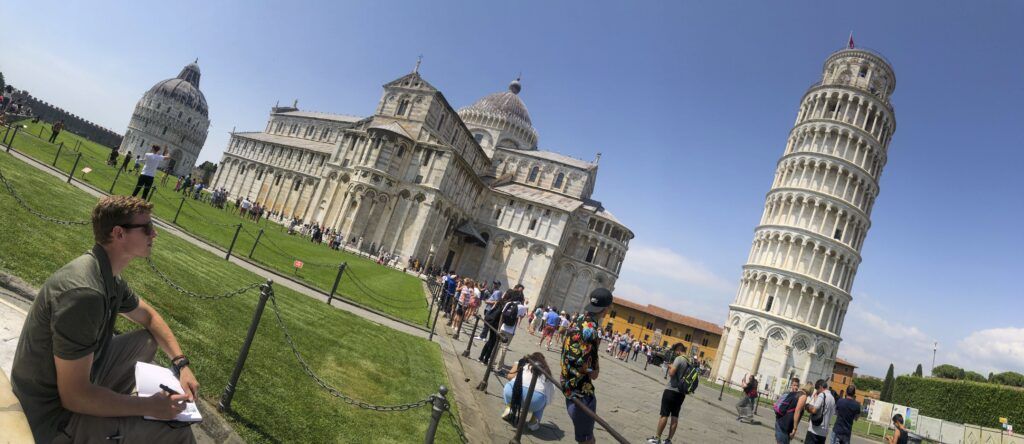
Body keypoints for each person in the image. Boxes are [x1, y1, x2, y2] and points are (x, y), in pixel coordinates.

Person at [11, 196, 198, 443]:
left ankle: (107, 409)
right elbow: (74, 397)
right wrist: (149, 407)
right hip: (51, 419)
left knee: (146, 340)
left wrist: (181, 364)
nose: (154, 234)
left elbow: (150, 317)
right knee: (177, 431)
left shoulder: (105, 273)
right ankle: (102, 420)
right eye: (147, 228)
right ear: (119, 233)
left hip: (70, 388)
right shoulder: (85, 294)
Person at [561, 288, 613, 444]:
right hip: (581, 392)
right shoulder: (593, 331)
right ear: (606, 309)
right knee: (588, 440)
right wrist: (594, 368)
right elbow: (592, 373)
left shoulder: (576, 320)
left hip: (565, 382)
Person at [646, 343, 692, 444]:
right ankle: (668, 440)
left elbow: (671, 373)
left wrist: (671, 367)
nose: (675, 354)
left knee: (664, 414)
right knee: (675, 416)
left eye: (676, 352)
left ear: (679, 350)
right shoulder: (689, 361)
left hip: (671, 390)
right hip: (681, 393)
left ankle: (657, 438)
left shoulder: (679, 359)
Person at [502, 353, 556, 431]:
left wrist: (517, 365)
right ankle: (534, 420)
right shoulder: (546, 373)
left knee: (509, 386)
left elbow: (509, 376)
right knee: (545, 398)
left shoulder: (523, 364)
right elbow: (550, 393)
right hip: (535, 401)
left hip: (513, 393)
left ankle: (509, 407)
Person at [774, 378, 807, 444]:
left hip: (786, 426)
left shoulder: (797, 395)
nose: (796, 387)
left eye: (797, 386)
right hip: (782, 424)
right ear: (791, 385)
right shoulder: (787, 394)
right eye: (794, 385)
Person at [803, 379, 836, 444]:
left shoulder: (822, 395)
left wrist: (807, 406)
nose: (817, 391)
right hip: (824, 432)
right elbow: (831, 413)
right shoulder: (832, 398)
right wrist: (816, 400)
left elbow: (814, 410)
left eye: (817, 389)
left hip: (815, 430)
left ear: (820, 387)